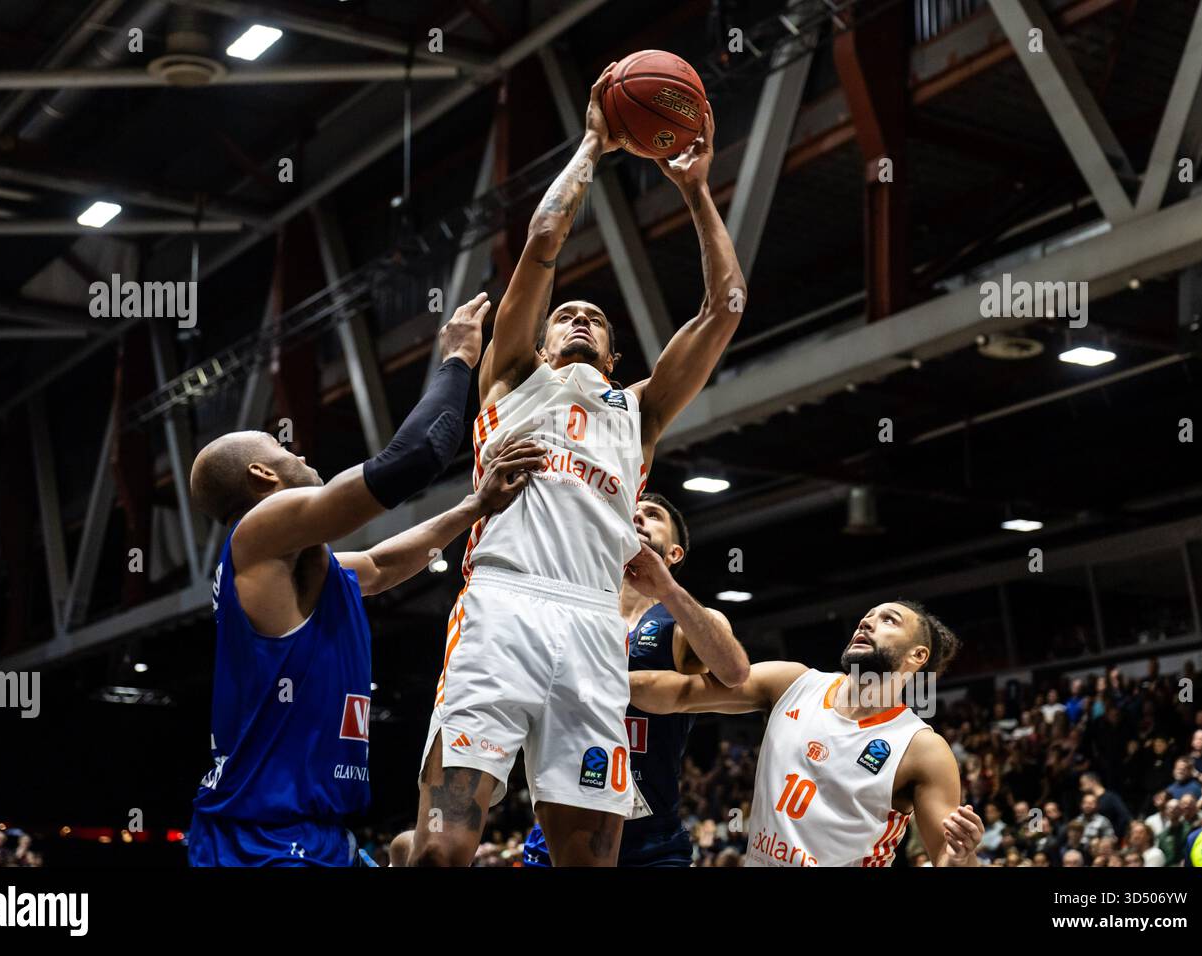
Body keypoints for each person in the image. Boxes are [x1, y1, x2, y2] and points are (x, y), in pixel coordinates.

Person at [410, 63, 747, 867]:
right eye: (568, 313)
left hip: (596, 626)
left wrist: (698, 191)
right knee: (445, 842)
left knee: (588, 859)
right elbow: (542, 242)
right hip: (503, 605)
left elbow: (724, 311)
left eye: (595, 318)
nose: (580, 319)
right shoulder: (513, 376)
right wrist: (596, 144)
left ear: (616, 350)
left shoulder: (640, 413)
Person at [184, 293, 545, 866]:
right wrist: (456, 362)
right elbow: (413, 458)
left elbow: (377, 567)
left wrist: (476, 505)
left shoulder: (298, 566)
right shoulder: (260, 529)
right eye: (282, 449)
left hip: (316, 834)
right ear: (261, 475)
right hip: (264, 841)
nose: (298, 453)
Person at [630, 601, 984, 866]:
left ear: (917, 655)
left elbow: (948, 859)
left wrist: (962, 857)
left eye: (889, 620)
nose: (868, 622)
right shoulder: (791, 682)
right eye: (867, 617)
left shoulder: (922, 748)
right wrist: (592, 679)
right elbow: (678, 692)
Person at [522, 493, 749, 867]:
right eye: (632, 513)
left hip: (650, 838)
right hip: (562, 824)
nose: (638, 517)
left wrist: (667, 590)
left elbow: (734, 672)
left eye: (653, 515)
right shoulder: (571, 610)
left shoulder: (681, 624)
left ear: (674, 554)